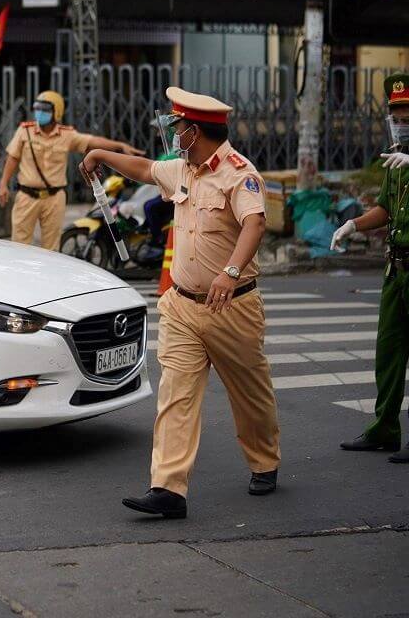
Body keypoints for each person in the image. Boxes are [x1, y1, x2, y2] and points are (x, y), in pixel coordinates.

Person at [79, 87, 280, 519]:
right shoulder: (182, 169)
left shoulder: (238, 173)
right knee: (176, 394)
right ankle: (168, 489)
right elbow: (145, 169)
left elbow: (255, 223)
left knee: (250, 395)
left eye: (179, 127)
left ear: (196, 131)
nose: (173, 134)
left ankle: (265, 460)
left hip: (233, 307)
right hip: (183, 306)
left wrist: (230, 272)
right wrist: (100, 153)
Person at [334, 73, 409, 463]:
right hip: (396, 268)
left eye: (407, 113)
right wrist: (354, 224)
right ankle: (385, 429)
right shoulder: (396, 157)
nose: (401, 120)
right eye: (396, 113)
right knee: (389, 351)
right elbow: (384, 207)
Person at [0, 90, 143, 251]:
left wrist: (119, 146)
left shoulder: (67, 135)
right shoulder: (25, 131)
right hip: (26, 196)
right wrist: (3, 184)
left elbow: (93, 141)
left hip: (54, 197)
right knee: (19, 245)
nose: (40, 113)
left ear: (56, 112)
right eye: (37, 108)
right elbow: (12, 158)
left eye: (45, 110)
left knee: (51, 248)